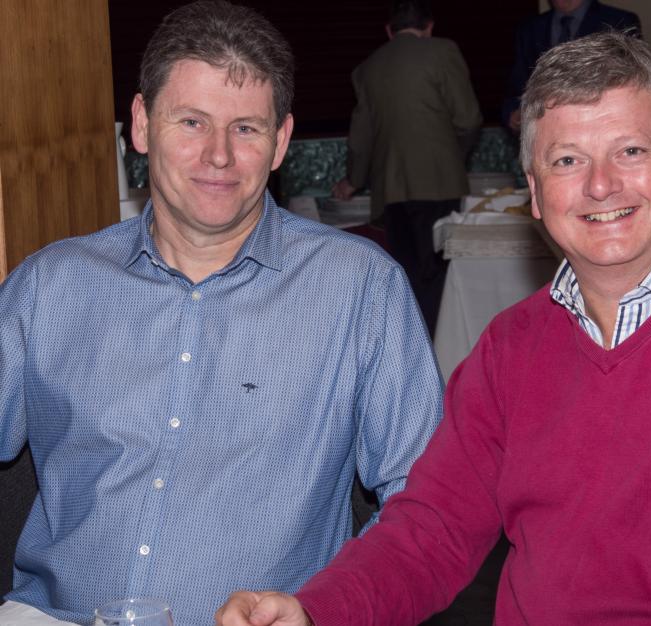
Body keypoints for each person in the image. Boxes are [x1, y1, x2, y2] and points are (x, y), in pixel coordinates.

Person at [216, 32, 651, 626]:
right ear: (535, 193)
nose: (601, 185)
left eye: (630, 151)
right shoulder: (511, 346)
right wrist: (318, 611)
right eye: (568, 160)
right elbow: (434, 527)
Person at [0, 1, 443, 625]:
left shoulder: (361, 291)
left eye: (246, 129)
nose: (218, 156)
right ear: (142, 124)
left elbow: (428, 509)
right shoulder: (50, 287)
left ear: (280, 141)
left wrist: (323, 610)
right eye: (192, 122)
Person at [331, 0, 482, 336]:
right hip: (441, 183)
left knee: (408, 279)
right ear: (429, 26)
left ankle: (411, 349)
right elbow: (469, 119)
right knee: (442, 278)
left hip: (392, 190)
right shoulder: (443, 51)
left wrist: (353, 180)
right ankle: (445, 349)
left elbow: (361, 138)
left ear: (389, 31)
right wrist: (453, 155)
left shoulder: (368, 68)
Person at [502, 0, 641, 131]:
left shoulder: (619, 21)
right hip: (544, 129)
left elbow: (633, 83)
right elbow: (517, 86)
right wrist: (514, 113)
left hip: (602, 127)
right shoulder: (530, 28)